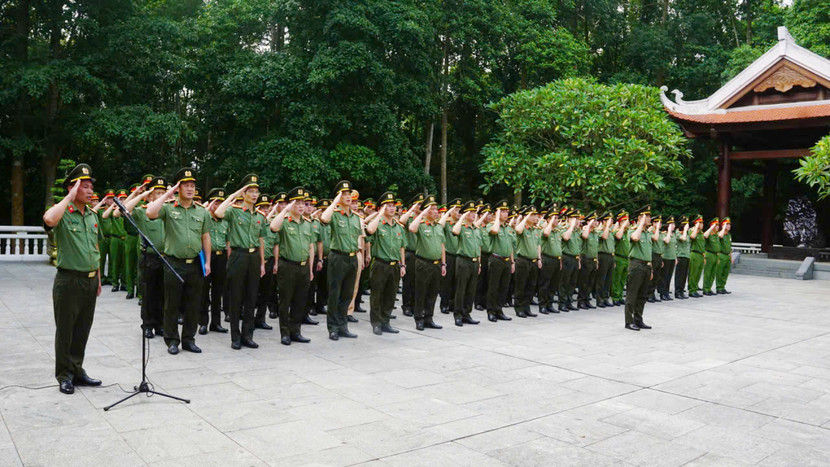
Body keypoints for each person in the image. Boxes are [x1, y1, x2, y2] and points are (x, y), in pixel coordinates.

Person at [43, 163, 103, 394]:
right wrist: (68, 197)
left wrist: (97, 278)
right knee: (66, 329)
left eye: (90, 187)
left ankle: (77, 370)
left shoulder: (92, 216)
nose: (90, 191)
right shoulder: (63, 214)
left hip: (89, 281)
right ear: (72, 188)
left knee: (82, 329)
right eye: (84, 187)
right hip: (68, 281)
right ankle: (64, 375)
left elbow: (95, 248)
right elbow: (49, 220)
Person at [146, 168, 212, 355]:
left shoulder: (202, 211)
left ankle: (189, 339)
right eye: (186, 185)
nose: (190, 189)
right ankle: (172, 340)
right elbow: (150, 213)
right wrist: (168, 193)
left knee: (193, 304)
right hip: (174, 263)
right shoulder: (168, 208)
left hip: (195, 264)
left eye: (192, 185)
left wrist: (208, 262)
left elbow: (206, 237)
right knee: (172, 304)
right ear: (178, 188)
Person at [213, 174, 267, 350]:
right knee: (236, 297)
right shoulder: (234, 211)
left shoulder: (259, 215)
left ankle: (247, 335)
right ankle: (235, 337)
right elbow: (218, 212)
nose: (254, 195)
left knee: (251, 297)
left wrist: (262, 263)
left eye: (256, 192)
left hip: (253, 258)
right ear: (243, 194)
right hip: (238, 255)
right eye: (250, 191)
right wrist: (234, 194)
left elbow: (261, 240)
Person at [269, 187, 316, 345]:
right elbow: (273, 227)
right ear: (290, 205)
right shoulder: (284, 221)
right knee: (285, 300)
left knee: (300, 301)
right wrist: (285, 210)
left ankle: (296, 331)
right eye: (297, 203)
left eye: (303, 203)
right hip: (288, 265)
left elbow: (310, 247)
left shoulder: (307, 223)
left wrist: (310, 269)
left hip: (303, 267)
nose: (301, 206)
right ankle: (285, 332)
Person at [125, 177, 167, 339]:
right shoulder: (142, 212)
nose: (162, 195)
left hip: (166, 258)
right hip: (149, 257)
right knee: (149, 294)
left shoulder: (169, 211)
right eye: (158, 193)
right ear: (150, 196)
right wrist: (143, 193)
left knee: (163, 294)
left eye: (164, 192)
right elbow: (124, 209)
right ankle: (147, 325)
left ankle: (160, 325)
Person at [320, 180, 362, 340]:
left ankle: (343, 325)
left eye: (348, 193)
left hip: (352, 258)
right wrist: (335, 202)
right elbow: (324, 218)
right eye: (343, 194)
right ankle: (333, 327)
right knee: (335, 293)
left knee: (347, 294)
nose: (348, 196)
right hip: (338, 257)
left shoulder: (355, 217)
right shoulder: (335, 215)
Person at [365, 191, 405, 335]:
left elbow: (402, 247)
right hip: (380, 264)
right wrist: (379, 215)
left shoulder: (399, 226)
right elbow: (369, 230)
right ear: (381, 208)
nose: (392, 208)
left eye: (393, 205)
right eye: (388, 206)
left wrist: (403, 265)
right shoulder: (377, 224)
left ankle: (386, 321)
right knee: (377, 295)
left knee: (390, 295)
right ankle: (376, 322)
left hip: (394, 265)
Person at [200, 187, 230, 334]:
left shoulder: (225, 221)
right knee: (204, 290)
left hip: (221, 256)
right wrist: (207, 209)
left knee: (218, 291)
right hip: (207, 256)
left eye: (221, 203)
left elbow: (228, 241)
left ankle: (216, 323)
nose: (218, 206)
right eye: (216, 203)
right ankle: (203, 322)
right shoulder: (205, 218)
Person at [451, 200, 484, 326]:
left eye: (474, 212)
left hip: (474, 262)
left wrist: (479, 263)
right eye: (470, 212)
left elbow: (479, 247)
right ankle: (458, 315)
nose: (473, 214)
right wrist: (462, 218)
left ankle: (467, 313)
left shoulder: (476, 229)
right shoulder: (462, 227)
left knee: (471, 289)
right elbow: (455, 231)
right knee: (461, 289)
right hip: (463, 261)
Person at [624, 206, 653, 331]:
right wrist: (640, 224)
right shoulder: (633, 230)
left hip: (646, 266)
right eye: (646, 216)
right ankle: (628, 321)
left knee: (642, 296)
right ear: (640, 218)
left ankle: (638, 319)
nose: (649, 218)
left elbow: (648, 252)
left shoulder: (647, 233)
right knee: (632, 295)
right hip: (636, 265)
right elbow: (634, 238)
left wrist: (651, 268)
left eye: (649, 216)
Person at [485, 200, 514, 322]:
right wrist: (496, 217)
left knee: (504, 287)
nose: (506, 214)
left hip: (506, 260)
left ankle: (499, 309)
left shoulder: (508, 228)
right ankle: (491, 311)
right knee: (494, 286)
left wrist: (512, 262)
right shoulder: (491, 225)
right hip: (496, 259)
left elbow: (511, 246)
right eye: (502, 211)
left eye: (507, 211)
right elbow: (495, 231)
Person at [513, 206, 542, 317]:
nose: (535, 217)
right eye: (532, 215)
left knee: (531, 286)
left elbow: (538, 245)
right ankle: (519, 308)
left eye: (535, 215)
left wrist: (539, 258)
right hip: (523, 260)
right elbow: (518, 230)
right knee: (521, 285)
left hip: (533, 261)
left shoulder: (536, 230)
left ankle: (526, 307)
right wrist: (524, 217)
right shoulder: (522, 228)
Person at [254, 193, 276, 331]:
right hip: (255, 261)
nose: (265, 210)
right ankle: (248, 318)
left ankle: (261, 318)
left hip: (269, 261)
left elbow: (276, 245)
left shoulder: (273, 225)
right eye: (262, 207)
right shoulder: (255, 223)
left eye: (267, 207)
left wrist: (276, 263)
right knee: (252, 292)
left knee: (266, 292)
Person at [399, 194, 424, 317]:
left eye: (421, 204)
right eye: (418, 204)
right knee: (408, 282)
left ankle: (415, 305)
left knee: (418, 282)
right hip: (410, 253)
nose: (420, 206)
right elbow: (401, 221)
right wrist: (411, 209)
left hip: (421, 255)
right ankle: (406, 306)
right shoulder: (410, 217)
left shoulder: (424, 218)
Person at [439, 198, 463, 315]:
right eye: (456, 210)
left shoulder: (462, 224)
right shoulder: (447, 223)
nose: (459, 213)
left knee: (457, 281)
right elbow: (440, 225)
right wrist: (447, 213)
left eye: (460, 210)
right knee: (446, 282)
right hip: (448, 255)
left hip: (459, 256)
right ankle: (444, 304)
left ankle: (453, 304)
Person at [539, 205, 563, 314]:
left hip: (557, 260)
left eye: (557, 218)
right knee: (545, 283)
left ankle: (550, 303)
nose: (556, 220)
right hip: (547, 259)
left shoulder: (558, 231)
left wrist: (560, 261)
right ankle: (542, 305)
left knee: (554, 284)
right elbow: (546, 233)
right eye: (554, 218)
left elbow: (559, 248)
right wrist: (550, 222)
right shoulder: (544, 229)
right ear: (548, 219)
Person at [558, 209, 581, 312]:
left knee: (572, 282)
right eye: (574, 218)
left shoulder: (577, 231)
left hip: (575, 258)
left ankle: (569, 301)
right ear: (568, 219)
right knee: (564, 281)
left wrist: (579, 260)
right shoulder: (564, 228)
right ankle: (562, 303)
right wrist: (571, 226)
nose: (577, 221)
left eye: (577, 218)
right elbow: (566, 238)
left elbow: (578, 247)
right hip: (566, 257)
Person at [595, 211, 616, 308]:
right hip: (603, 255)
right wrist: (606, 226)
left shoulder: (610, 230)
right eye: (609, 220)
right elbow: (604, 236)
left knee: (608, 279)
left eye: (612, 220)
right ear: (604, 221)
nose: (611, 222)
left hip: (610, 256)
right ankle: (600, 299)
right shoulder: (600, 229)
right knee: (601, 279)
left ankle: (606, 297)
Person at [611, 211, 630, 306]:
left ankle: (620, 295)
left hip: (626, 259)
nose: (628, 223)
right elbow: (618, 236)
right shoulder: (617, 231)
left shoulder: (627, 233)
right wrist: (622, 226)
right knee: (616, 279)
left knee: (623, 279)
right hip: (619, 258)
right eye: (625, 221)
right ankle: (615, 296)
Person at [659, 216, 677, 301]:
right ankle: (662, 293)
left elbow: (674, 247)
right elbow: (666, 241)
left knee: (669, 276)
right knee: (664, 277)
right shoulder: (663, 234)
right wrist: (669, 231)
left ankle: (666, 292)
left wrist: (675, 257)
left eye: (673, 224)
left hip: (672, 258)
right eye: (671, 224)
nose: (673, 226)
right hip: (665, 258)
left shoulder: (673, 235)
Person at [647, 215, 664, 303]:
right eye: (658, 222)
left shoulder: (660, 232)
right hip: (652, 255)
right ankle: (648, 294)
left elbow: (661, 245)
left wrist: (661, 257)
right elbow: (655, 239)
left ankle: (652, 293)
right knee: (651, 276)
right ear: (653, 223)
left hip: (658, 255)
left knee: (657, 276)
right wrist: (656, 228)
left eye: (660, 223)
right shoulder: (651, 231)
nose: (660, 224)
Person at [702, 217, 721, 296]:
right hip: (709, 254)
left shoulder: (716, 235)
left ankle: (709, 288)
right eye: (716, 225)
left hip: (716, 255)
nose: (717, 227)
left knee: (713, 273)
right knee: (708, 273)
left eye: (718, 225)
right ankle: (705, 288)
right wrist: (711, 228)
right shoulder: (709, 233)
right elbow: (704, 236)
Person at [688, 214, 705, 298]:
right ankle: (692, 290)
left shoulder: (701, 233)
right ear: (696, 223)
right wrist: (696, 227)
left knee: (698, 273)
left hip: (701, 255)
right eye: (700, 223)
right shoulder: (692, 230)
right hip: (694, 253)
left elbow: (703, 245)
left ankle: (695, 287)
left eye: (702, 223)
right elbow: (692, 236)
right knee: (693, 273)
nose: (702, 225)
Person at [674, 215, 691, 299]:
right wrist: (684, 230)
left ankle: (681, 291)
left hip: (687, 256)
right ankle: (677, 292)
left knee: (684, 275)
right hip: (680, 256)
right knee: (679, 275)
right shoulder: (678, 232)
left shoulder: (686, 233)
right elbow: (683, 239)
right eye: (685, 224)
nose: (687, 226)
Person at [716, 217, 733, 294]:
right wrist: (723, 228)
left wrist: (731, 256)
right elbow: (720, 236)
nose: (729, 226)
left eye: (729, 224)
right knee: (720, 272)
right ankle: (719, 287)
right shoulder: (720, 233)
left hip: (727, 256)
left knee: (725, 273)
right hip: (722, 255)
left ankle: (723, 287)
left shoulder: (729, 235)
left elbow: (729, 246)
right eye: (727, 224)